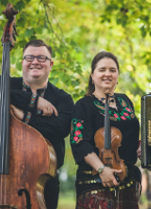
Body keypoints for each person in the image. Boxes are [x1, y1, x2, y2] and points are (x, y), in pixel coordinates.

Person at [7, 39, 74, 209]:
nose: (35, 62)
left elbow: (59, 129)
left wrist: (23, 115)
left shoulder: (63, 99)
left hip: (44, 182)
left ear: (50, 64)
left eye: (41, 58)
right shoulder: (6, 86)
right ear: (22, 62)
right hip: (5, 177)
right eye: (29, 57)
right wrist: (33, 101)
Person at [70, 51, 141, 209]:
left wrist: (140, 146)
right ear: (93, 75)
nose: (107, 74)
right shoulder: (83, 105)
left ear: (117, 75)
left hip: (127, 181)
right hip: (95, 179)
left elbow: (129, 136)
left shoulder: (125, 101)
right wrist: (101, 169)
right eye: (102, 70)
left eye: (112, 70)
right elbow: (79, 142)